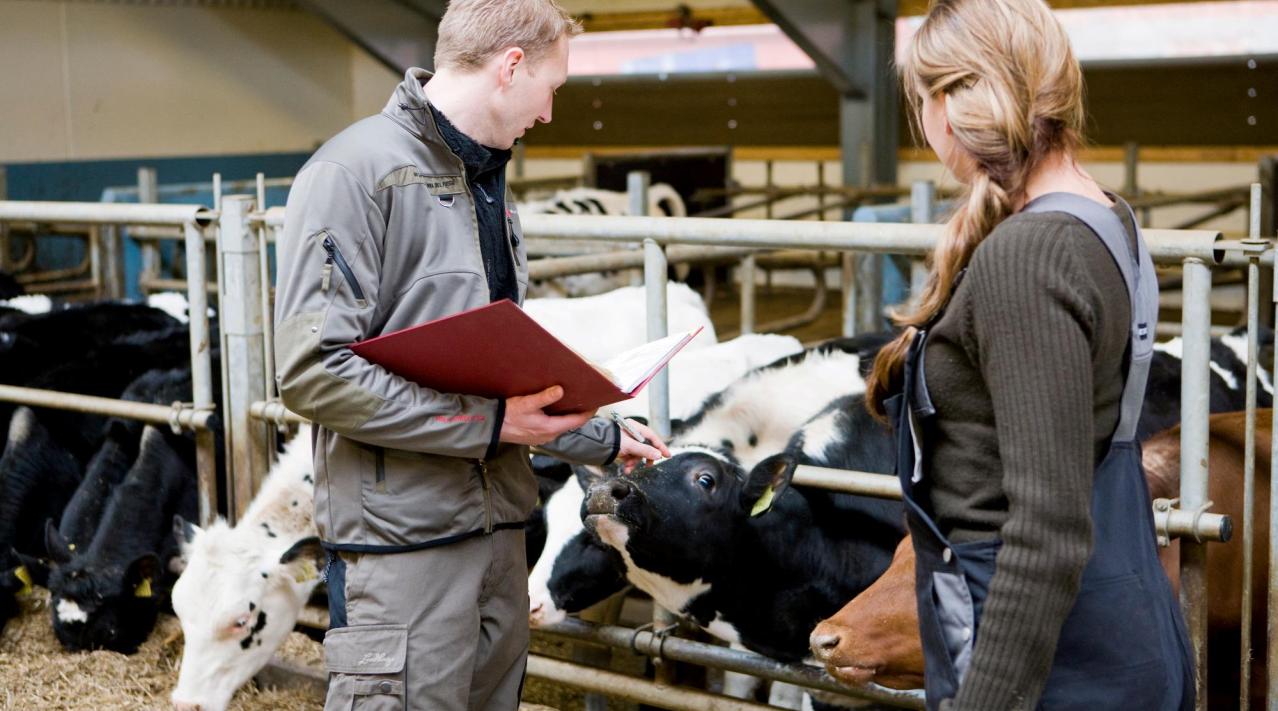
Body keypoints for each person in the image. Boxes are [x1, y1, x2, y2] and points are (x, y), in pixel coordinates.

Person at [272, 2, 668, 709]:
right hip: (403, 547)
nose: (549, 113)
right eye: (553, 87)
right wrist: (488, 424)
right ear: (510, 67)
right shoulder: (354, 174)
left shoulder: (484, 183)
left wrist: (602, 435)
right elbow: (313, 370)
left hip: (496, 530)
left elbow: (495, 371)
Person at [864, 0, 1195, 709]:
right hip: (1112, 622)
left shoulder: (1029, 255)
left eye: (922, 98)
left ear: (951, 105)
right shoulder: (1108, 220)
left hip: (1039, 657)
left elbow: (1045, 532)